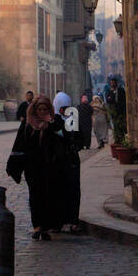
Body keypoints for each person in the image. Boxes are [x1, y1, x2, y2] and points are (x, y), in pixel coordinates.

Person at [9, 94, 70, 240]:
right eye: (39, 109)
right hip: (33, 167)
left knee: (49, 196)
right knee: (35, 195)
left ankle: (47, 226)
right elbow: (19, 145)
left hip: (51, 167)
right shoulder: (27, 125)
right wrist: (14, 166)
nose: (42, 112)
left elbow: (64, 143)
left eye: (45, 109)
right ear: (35, 110)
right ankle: (37, 226)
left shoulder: (55, 124)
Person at [52, 91, 83, 233]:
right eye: (62, 108)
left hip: (71, 161)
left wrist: (74, 145)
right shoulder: (53, 121)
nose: (65, 110)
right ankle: (58, 221)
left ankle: (72, 220)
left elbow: (79, 139)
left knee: (73, 191)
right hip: (57, 162)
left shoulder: (73, 120)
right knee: (58, 191)